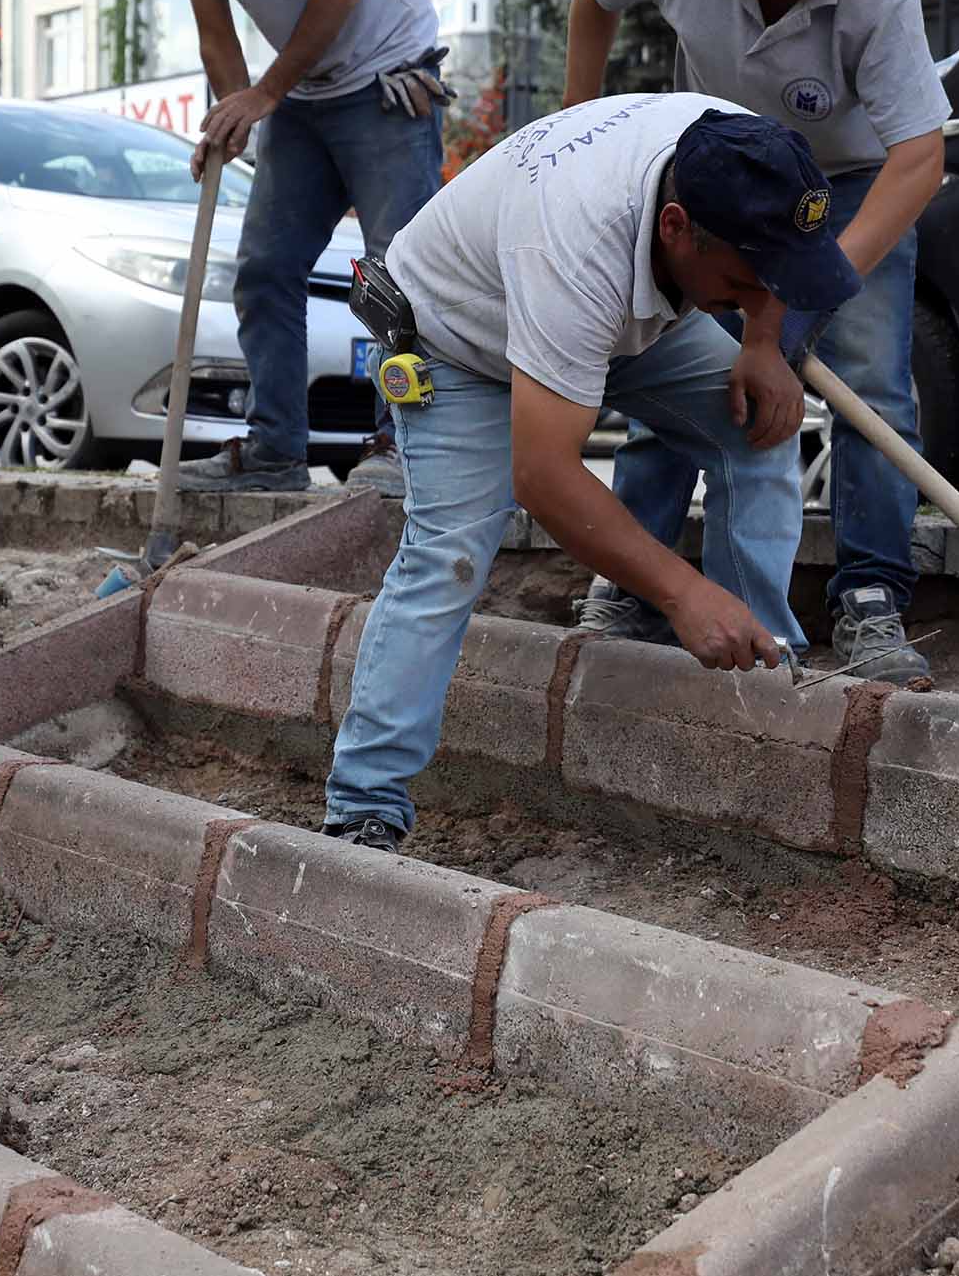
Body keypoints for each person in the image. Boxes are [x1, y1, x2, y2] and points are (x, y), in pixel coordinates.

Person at [319, 94, 861, 850]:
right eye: (746, 282)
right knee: (449, 553)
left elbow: (775, 269)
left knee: (759, 429)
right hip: (464, 337)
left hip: (607, 324)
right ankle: (365, 804)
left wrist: (763, 344)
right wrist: (682, 592)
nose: (760, 298)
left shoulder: (742, 153)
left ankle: (762, 682)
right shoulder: (573, 244)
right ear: (677, 228)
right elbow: (544, 477)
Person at [560, 0, 951, 683]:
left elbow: (920, 159)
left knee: (874, 388)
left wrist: (800, 299)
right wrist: (576, 131)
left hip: (851, 181)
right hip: (723, 177)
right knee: (678, 364)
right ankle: (628, 583)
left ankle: (871, 600)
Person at [73, 0, 448, 498]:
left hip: (385, 79)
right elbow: (219, 40)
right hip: (305, 97)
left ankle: (405, 446)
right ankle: (277, 449)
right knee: (265, 270)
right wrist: (230, 113)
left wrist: (265, 93)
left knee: (393, 277)